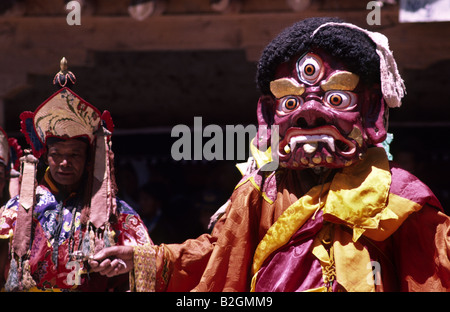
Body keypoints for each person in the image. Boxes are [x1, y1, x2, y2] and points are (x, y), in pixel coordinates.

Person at [90, 17, 450, 292]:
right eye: (290, 102)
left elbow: (432, 280)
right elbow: (217, 255)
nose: (309, 113)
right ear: (267, 116)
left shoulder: (403, 200)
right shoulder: (262, 190)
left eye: (336, 99)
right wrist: (142, 258)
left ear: (372, 111)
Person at [0, 58, 151, 291]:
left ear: (89, 159)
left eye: (75, 155)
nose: (64, 162)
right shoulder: (19, 209)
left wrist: (125, 266)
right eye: (56, 153)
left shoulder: (115, 213)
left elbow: (148, 260)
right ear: (45, 156)